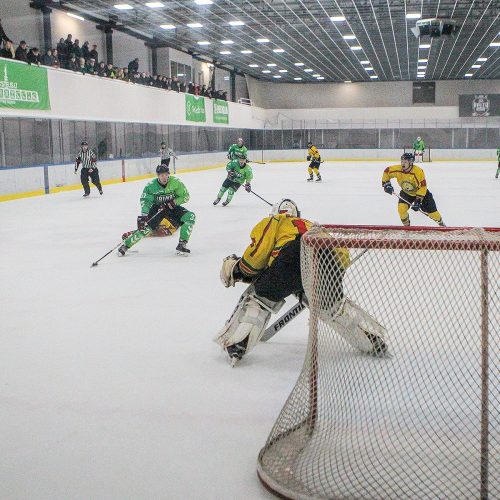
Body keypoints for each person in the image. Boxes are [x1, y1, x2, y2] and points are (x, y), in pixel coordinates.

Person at [214, 199, 386, 365]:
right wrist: (330, 281)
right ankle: (371, 340)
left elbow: (256, 257)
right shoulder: (315, 227)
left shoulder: (276, 220)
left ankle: (238, 345)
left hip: (292, 255)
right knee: (334, 308)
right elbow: (342, 255)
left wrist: (241, 269)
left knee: (260, 297)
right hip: (327, 260)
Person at [118, 165, 195, 257]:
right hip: (157, 209)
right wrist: (144, 215)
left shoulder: (175, 182)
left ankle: (182, 244)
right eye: (162, 175)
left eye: (166, 174)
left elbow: (186, 196)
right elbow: (145, 201)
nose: (164, 177)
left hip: (172, 207)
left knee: (190, 217)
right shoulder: (151, 186)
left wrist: (174, 202)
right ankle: (126, 245)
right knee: (145, 228)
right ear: (158, 176)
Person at [382, 153, 444, 226]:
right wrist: (386, 184)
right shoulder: (398, 169)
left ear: (411, 162)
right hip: (406, 193)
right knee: (401, 209)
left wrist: (418, 201)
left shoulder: (418, 171)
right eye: (402, 161)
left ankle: (441, 224)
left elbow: (423, 187)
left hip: (422, 194)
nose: (402, 164)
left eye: (405, 162)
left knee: (433, 213)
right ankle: (407, 227)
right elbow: (387, 171)